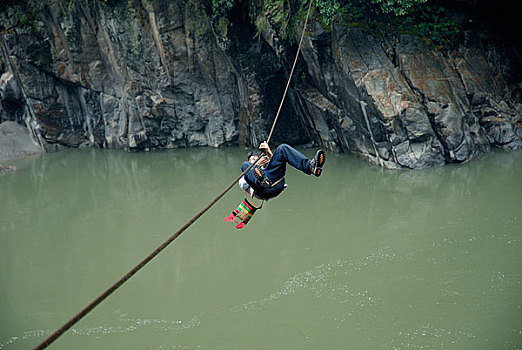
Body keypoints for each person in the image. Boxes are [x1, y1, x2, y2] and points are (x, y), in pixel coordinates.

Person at [224, 141, 325, 229]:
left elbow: (278, 163)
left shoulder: (268, 167)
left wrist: (268, 152)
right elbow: (242, 184)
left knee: (282, 148)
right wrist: (256, 165)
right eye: (253, 160)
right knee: (245, 165)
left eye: (256, 159)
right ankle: (263, 181)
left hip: (275, 181)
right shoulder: (248, 171)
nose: (255, 161)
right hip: (262, 190)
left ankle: (311, 167)